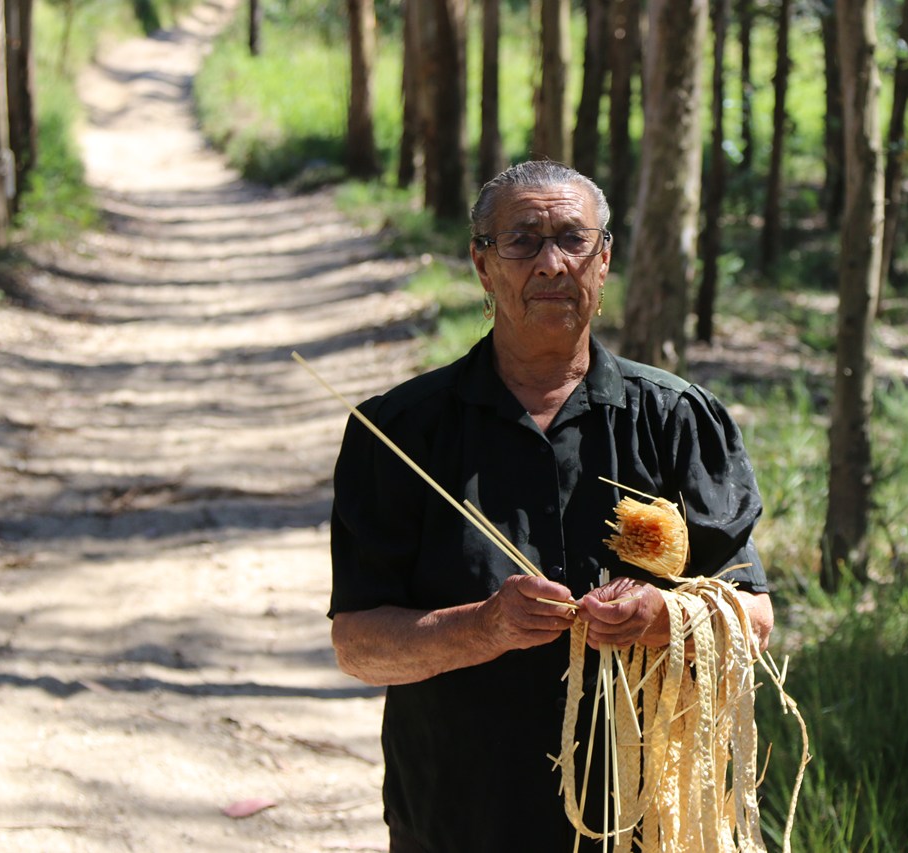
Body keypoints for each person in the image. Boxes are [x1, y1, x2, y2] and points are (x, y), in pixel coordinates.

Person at [328, 160, 774, 853]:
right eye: (522, 241)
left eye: (573, 239)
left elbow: (754, 619)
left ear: (605, 260)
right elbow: (359, 647)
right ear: (482, 264)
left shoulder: (677, 420)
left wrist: (664, 618)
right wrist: (484, 627)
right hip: (458, 815)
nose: (551, 263)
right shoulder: (401, 432)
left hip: (642, 821)